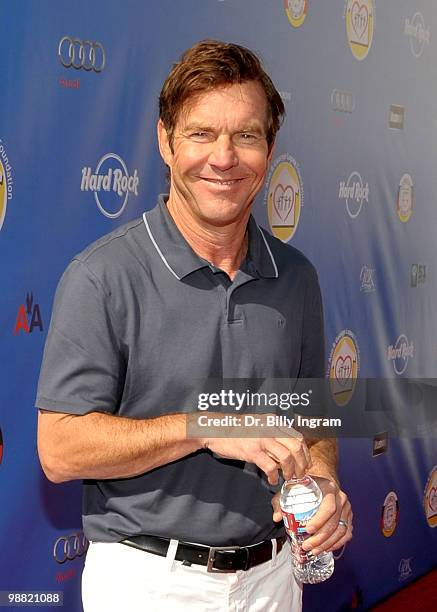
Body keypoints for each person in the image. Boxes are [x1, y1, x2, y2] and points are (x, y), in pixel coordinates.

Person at [36, 40, 353, 612]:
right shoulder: (102, 276)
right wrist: (204, 427)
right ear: (165, 140)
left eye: (247, 136)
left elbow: (314, 420)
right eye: (201, 134)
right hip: (149, 583)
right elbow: (59, 450)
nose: (224, 158)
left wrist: (324, 480)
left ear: (271, 147)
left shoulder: (297, 276)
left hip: (275, 579)